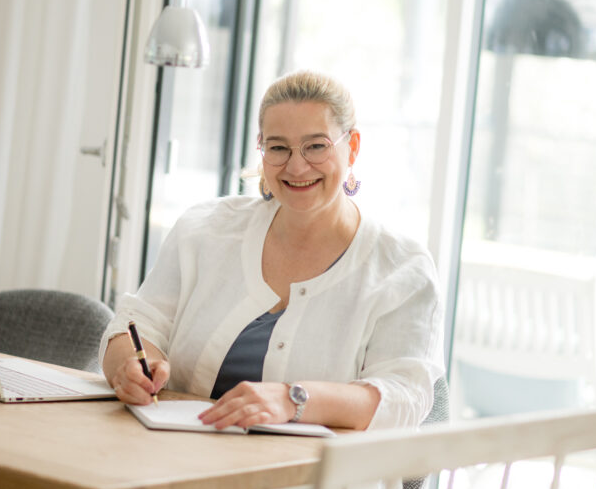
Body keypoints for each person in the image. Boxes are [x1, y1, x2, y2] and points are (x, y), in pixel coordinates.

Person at [99, 70, 443, 432]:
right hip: (180, 460)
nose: (296, 167)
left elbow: (403, 397)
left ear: (352, 146)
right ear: (262, 148)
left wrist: (291, 399)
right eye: (279, 147)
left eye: (316, 146)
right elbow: (135, 326)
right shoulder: (204, 229)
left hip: (313, 481)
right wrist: (132, 367)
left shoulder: (403, 269)